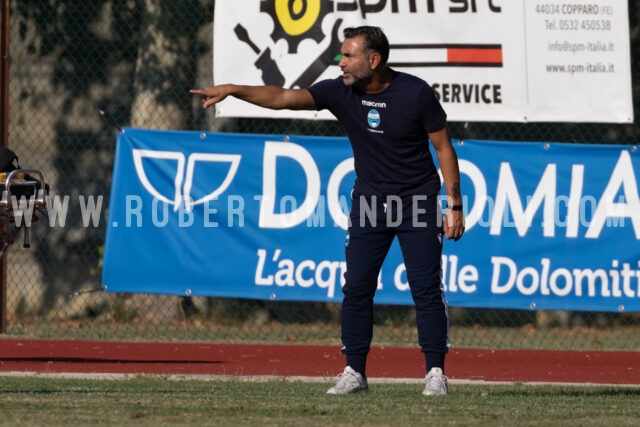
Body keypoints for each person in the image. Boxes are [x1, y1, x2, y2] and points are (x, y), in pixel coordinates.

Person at [191, 25, 465, 396]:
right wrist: (234, 90)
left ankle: (435, 372)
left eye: (349, 55)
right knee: (356, 288)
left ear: (374, 59)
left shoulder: (415, 93)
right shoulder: (339, 90)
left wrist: (454, 206)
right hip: (369, 203)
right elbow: (283, 98)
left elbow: (444, 149)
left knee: (426, 289)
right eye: (341, 54)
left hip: (418, 203)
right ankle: (354, 372)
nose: (342, 62)